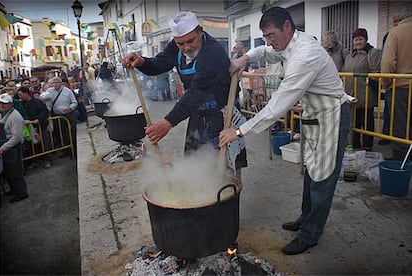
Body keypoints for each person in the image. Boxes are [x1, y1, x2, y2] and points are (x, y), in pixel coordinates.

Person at [219, 7, 350, 255]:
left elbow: (278, 105)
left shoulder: (305, 55)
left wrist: (239, 131)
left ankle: (310, 235)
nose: (269, 42)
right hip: (315, 116)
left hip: (332, 117)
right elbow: (265, 52)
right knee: (312, 169)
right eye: (265, 36)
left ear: (288, 27)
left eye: (271, 35)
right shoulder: (287, 45)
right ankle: (305, 218)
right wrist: (245, 57)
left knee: (323, 177)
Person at [122, 11, 247, 173]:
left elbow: (197, 91)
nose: (186, 47)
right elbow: (161, 63)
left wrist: (168, 122)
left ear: (200, 32)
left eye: (191, 41)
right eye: (180, 43)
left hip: (221, 116)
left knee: (222, 173)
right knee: (194, 168)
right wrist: (142, 62)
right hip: (196, 113)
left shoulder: (213, 52)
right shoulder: (176, 46)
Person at [341, 28, 381, 151]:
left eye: (361, 39)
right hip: (351, 95)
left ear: (366, 39)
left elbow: (377, 71)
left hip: (366, 94)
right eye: (356, 39)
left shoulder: (373, 53)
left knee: (367, 122)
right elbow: (344, 71)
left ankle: (367, 146)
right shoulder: (350, 55)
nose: (358, 42)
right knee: (354, 122)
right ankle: (355, 144)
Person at [381, 6, 412, 161]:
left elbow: (387, 63)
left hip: (402, 87)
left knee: (401, 127)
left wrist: (385, 83)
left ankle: (402, 162)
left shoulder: (396, 33)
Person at [0, 93, 29, 203]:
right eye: (0, 103)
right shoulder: (2, 114)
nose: (2, 105)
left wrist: (2, 148)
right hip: (6, 147)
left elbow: (16, 137)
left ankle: (21, 193)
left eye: (4, 104)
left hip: (13, 147)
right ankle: (14, 190)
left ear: (11, 104)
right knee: (9, 171)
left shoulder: (14, 116)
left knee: (16, 171)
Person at [39, 77, 78, 157]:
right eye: (53, 83)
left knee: (70, 133)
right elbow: (44, 99)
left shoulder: (68, 91)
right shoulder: (49, 91)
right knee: (60, 135)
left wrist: (70, 108)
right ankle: (65, 151)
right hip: (56, 116)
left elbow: (74, 102)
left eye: (57, 82)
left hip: (67, 115)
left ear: (61, 83)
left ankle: (73, 151)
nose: (55, 84)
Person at [379, 13, 401, 146]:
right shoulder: (390, 34)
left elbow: (387, 61)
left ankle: (400, 150)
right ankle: (387, 135)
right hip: (394, 83)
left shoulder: (394, 35)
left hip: (397, 83)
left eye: (398, 20)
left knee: (399, 117)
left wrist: (385, 81)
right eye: (394, 21)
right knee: (388, 112)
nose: (396, 23)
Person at [18, 87, 52, 169]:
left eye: (21, 94)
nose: (20, 97)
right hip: (30, 127)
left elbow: (45, 112)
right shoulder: (22, 104)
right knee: (33, 146)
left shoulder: (37, 101)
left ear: (26, 93)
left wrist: (38, 119)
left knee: (45, 143)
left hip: (40, 126)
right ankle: (35, 161)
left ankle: (48, 160)